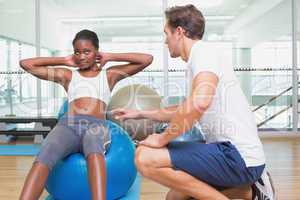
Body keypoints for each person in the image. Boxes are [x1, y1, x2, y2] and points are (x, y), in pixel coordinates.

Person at [112, 5, 276, 200]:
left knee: (144, 157)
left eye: (167, 33)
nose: (166, 41)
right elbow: (185, 109)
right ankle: (253, 192)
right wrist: (140, 114)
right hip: (234, 156)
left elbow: (199, 104)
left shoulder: (203, 53)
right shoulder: (201, 59)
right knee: (175, 197)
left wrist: (161, 138)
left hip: (237, 157)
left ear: (179, 32)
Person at [19, 29, 153, 200]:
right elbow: (26, 64)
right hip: (68, 124)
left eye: (87, 51)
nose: (81, 56)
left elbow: (146, 59)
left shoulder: (109, 75)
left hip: (96, 125)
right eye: (77, 52)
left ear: (96, 51)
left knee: (93, 143)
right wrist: (64, 60)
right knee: (47, 151)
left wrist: (109, 56)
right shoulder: (67, 75)